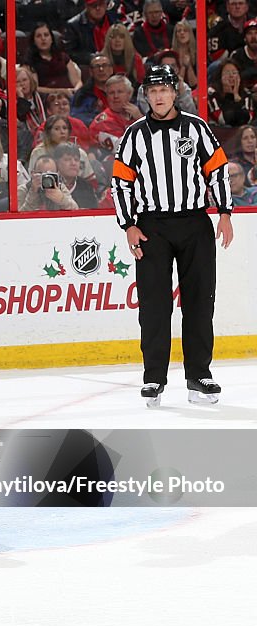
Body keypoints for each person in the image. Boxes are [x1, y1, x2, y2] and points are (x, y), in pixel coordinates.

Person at [112, 64, 233, 407]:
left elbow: (218, 170)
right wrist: (129, 225)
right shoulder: (135, 134)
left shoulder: (196, 129)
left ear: (174, 91)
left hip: (195, 223)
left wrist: (225, 212)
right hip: (152, 227)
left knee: (199, 301)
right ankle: (154, 379)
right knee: (154, 305)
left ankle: (199, 374)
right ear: (146, 95)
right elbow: (120, 183)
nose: (159, 96)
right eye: (153, 91)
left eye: (164, 89)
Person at [24, 23, 82, 95]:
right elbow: (35, 88)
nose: (43, 38)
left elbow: (77, 82)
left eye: (46, 35)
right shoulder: (30, 61)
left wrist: (76, 90)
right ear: (34, 41)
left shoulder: (63, 57)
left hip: (70, 95)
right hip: (47, 98)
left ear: (52, 39)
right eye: (39, 36)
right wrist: (60, 91)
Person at [207, 58, 254, 126]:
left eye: (234, 73)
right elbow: (222, 120)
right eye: (227, 73)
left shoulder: (246, 93)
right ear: (220, 77)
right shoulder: (212, 93)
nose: (231, 76)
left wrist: (236, 96)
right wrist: (228, 95)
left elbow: (247, 120)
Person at [54, 142, 99, 208]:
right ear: (57, 163)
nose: (73, 163)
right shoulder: (50, 184)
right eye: (68, 159)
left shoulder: (86, 187)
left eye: (76, 160)